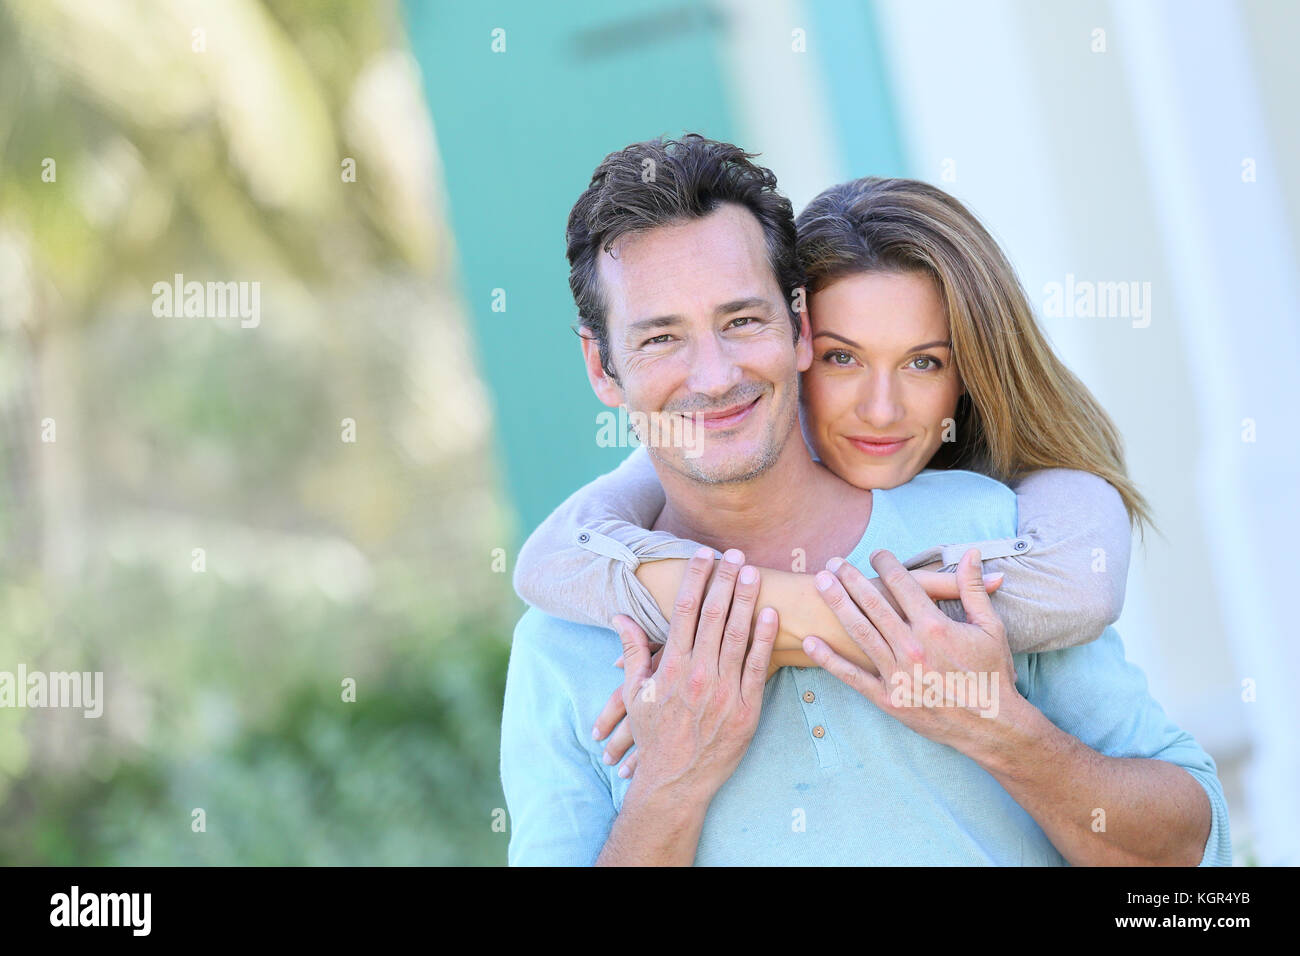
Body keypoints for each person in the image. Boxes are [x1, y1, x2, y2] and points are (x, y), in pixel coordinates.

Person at [499, 134, 1230, 866]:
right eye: (661, 338)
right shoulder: (563, 645)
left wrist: (999, 728)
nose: (715, 376)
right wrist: (669, 784)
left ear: (799, 328)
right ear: (602, 367)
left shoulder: (986, 531)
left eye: (742, 321)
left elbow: (1182, 853)